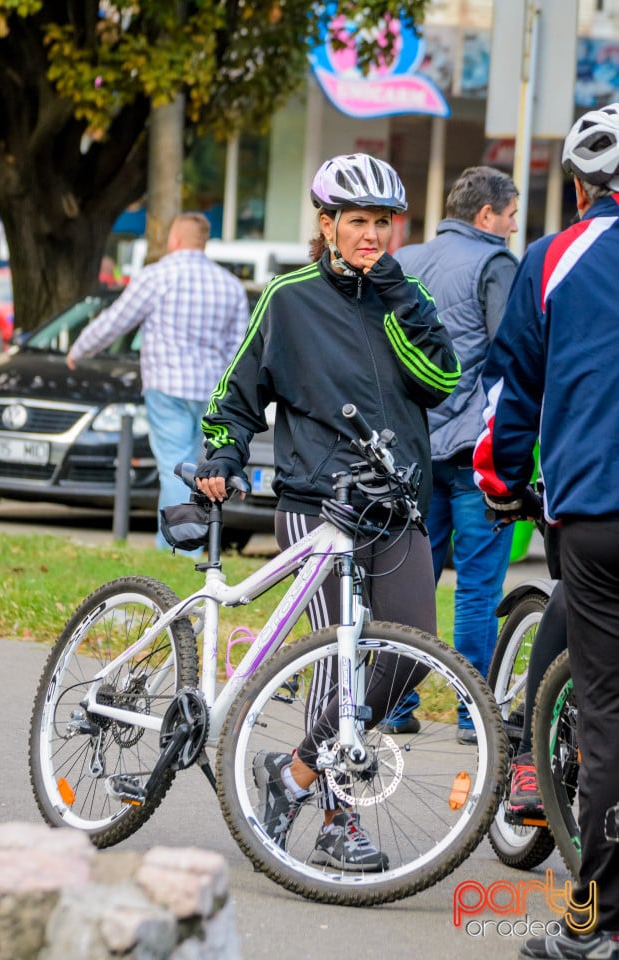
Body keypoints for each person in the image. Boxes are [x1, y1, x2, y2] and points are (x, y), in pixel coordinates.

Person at [195, 153, 460, 870]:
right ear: (328, 225)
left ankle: (295, 774)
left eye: (383, 223)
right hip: (318, 506)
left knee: (411, 655)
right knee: (338, 664)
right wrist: (221, 457)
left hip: (397, 505)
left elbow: (442, 380)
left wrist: (400, 297)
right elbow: (236, 395)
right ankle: (340, 820)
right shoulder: (288, 297)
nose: (371, 235)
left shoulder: (408, 299)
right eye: (358, 222)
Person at [473, 103, 619, 960]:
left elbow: (510, 392)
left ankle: (594, 926)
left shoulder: (556, 257)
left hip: (598, 513)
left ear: (578, 186)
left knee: (605, 712)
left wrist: (499, 485)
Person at [390, 166, 519, 744]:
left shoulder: (407, 259)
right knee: (477, 589)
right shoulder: (495, 265)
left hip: (412, 448)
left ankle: (392, 704)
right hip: (473, 450)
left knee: (410, 584)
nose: (514, 227)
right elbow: (512, 352)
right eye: (511, 215)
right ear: (486, 216)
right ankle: (473, 715)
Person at [67, 213, 249, 549]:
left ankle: (175, 544)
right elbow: (238, 349)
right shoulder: (229, 285)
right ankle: (197, 540)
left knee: (174, 466)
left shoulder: (157, 276)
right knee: (201, 468)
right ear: (203, 241)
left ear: (175, 239)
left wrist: (79, 348)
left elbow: (116, 320)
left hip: (167, 387)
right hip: (211, 393)